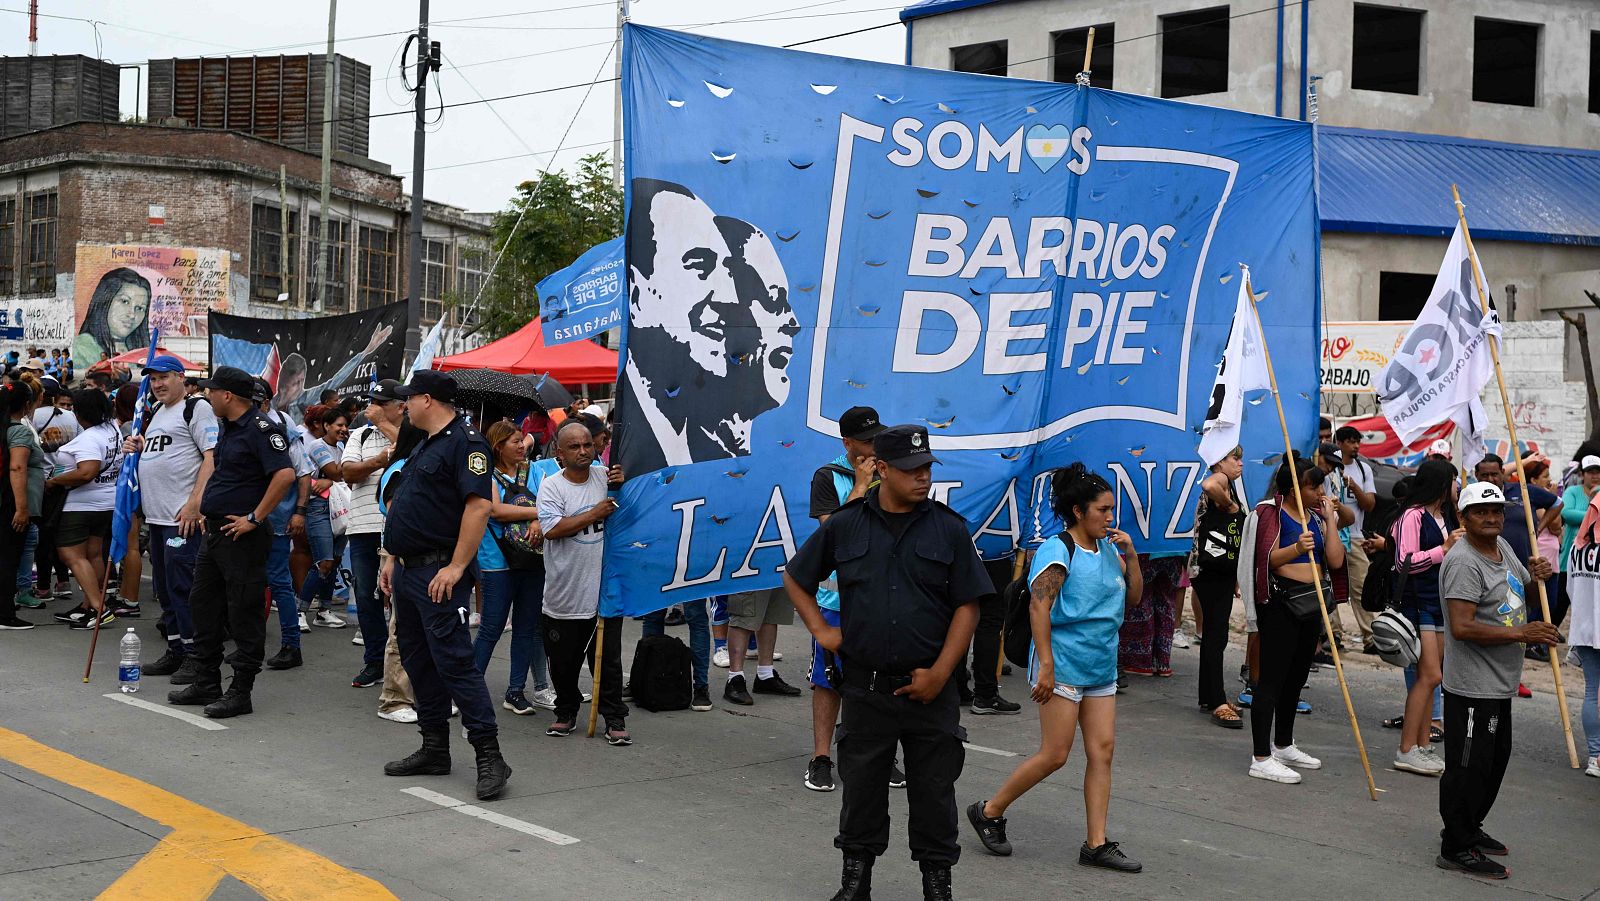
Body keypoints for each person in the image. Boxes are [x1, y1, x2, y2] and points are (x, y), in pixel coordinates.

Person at [784, 424, 986, 901]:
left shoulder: (948, 528)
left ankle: (937, 886)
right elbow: (797, 577)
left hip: (932, 691)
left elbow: (969, 605)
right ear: (882, 469)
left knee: (935, 794)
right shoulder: (846, 523)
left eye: (927, 469)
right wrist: (822, 631)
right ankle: (855, 884)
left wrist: (941, 673)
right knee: (863, 791)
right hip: (866, 687)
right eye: (912, 470)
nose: (923, 478)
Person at [967, 462, 1145, 873]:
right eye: (1103, 509)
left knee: (1103, 751)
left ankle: (1096, 844)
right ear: (1079, 511)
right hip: (1062, 665)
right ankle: (989, 810)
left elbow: (1133, 598)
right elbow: (1038, 606)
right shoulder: (1057, 549)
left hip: (1100, 665)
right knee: (1055, 755)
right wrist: (1045, 665)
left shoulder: (1109, 549)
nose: (1110, 517)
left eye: (1111, 509)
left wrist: (1132, 555)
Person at [378, 369, 511, 802]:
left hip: (439, 574)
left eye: (409, 398)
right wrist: (392, 558)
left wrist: (456, 567)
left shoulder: (466, 444)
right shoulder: (426, 444)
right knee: (419, 663)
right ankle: (434, 747)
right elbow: (412, 508)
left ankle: (490, 756)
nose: (404, 406)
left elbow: (479, 507)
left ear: (429, 400)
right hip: (410, 572)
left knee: (456, 664)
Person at [618, 178, 800, 473]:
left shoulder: (703, 445)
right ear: (638, 296)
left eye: (725, 271)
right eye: (700, 266)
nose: (729, 297)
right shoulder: (628, 442)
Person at [1435, 481, 1558, 878]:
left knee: (1493, 763)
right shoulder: (1463, 562)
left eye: (1497, 512)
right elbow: (1462, 627)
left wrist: (1540, 570)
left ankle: (1469, 827)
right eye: (1481, 512)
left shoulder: (1501, 546)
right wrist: (1523, 633)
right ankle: (1455, 846)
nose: (1491, 518)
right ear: (1463, 518)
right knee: (1467, 767)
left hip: (1500, 681)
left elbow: (1523, 582)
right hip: (1472, 685)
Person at [167, 366, 295, 719]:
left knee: (244, 612)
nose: (207, 396)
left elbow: (285, 474)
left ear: (227, 396)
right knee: (203, 605)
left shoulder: (261, 428)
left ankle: (241, 690)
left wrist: (255, 518)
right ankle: (207, 680)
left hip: (242, 537)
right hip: (216, 533)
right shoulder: (228, 427)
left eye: (212, 391)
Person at [1238, 456, 1344, 784]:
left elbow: (1336, 560)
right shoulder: (1269, 513)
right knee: (1270, 681)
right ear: (1296, 487)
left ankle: (1283, 744)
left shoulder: (1314, 516)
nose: (1320, 492)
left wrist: (1330, 522)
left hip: (1311, 605)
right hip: (1281, 604)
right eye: (1314, 486)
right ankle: (1261, 757)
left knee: (1296, 678)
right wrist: (1296, 546)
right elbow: (1262, 561)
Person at [803, 405, 885, 791]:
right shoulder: (827, 476)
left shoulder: (888, 471)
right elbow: (834, 532)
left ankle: (877, 753)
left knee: (880, 680)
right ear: (847, 442)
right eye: (866, 441)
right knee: (828, 681)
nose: (873, 448)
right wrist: (858, 485)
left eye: (876, 439)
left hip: (881, 597)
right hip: (835, 601)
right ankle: (821, 757)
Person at [122, 356, 216, 684]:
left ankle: (196, 656)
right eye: (153, 379)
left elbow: (212, 457)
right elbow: (164, 452)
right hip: (158, 520)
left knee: (183, 587)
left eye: (164, 378)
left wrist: (195, 504)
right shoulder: (159, 412)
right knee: (164, 588)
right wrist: (138, 445)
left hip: (183, 521)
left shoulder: (196, 407)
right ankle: (176, 648)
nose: (158, 384)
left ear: (180, 377)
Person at [537, 420, 630, 744]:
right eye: (574, 447)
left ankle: (614, 717)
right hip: (565, 593)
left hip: (604, 591)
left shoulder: (607, 478)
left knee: (608, 662)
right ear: (560, 454)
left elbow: (630, 515)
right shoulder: (552, 486)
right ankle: (566, 711)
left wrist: (624, 486)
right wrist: (594, 514)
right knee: (563, 664)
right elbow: (552, 529)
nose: (583, 451)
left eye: (588, 444)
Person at [470, 420, 550, 716]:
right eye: (514, 441)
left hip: (532, 558)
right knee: (491, 626)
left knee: (526, 627)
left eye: (521, 440)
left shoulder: (536, 470)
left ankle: (515, 691)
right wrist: (538, 512)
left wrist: (540, 520)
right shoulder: (485, 475)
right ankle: (470, 687)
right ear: (498, 446)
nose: (521, 445)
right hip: (496, 562)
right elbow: (496, 510)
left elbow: (549, 501)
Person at [1393, 459, 1462, 776]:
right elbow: (1403, 560)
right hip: (1418, 603)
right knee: (1430, 676)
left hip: (1438, 604)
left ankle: (1421, 745)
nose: (1457, 487)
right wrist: (1443, 550)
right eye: (1453, 481)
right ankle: (1406, 748)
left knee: (1432, 676)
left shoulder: (1444, 516)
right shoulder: (1413, 516)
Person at [342, 379, 404, 689]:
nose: (374, 408)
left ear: (400, 406)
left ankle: (403, 664)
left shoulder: (411, 432)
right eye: (373, 402)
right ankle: (374, 660)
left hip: (397, 528)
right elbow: (348, 473)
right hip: (363, 526)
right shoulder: (360, 434)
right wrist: (378, 461)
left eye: (382, 403)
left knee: (399, 598)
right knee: (367, 595)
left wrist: (386, 425)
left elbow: (412, 452)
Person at [45, 389, 123, 630]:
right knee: (93, 554)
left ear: (80, 414)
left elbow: (87, 472)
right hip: (106, 501)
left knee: (71, 554)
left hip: (81, 505)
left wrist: (55, 481)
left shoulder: (89, 439)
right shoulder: (112, 429)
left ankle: (99, 608)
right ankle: (87, 607)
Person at [257, 378, 317, 670]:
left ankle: (291, 645)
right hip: (245, 519)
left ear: (264, 403)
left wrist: (300, 512)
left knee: (279, 581)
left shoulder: (283, 429)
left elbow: (303, 472)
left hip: (277, 520)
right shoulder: (236, 426)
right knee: (250, 581)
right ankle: (251, 642)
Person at [1188, 445, 1245, 728]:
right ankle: (1218, 701)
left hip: (1215, 571)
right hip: (1211, 571)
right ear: (1220, 461)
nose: (1240, 464)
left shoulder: (1229, 483)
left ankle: (1210, 695)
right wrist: (1230, 506)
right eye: (1234, 458)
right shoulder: (1220, 479)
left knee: (1214, 633)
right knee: (1215, 635)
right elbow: (1209, 483)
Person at [295, 406, 349, 629]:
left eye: (345, 425)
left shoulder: (342, 447)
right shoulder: (317, 446)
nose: (344, 429)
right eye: (339, 425)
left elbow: (339, 473)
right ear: (326, 426)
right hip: (318, 507)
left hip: (340, 506)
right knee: (324, 562)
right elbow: (338, 471)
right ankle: (300, 611)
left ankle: (324, 611)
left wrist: (331, 479)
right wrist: (332, 477)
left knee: (334, 560)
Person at [0, 382, 43, 630]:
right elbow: (18, 467)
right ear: (27, 405)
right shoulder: (18, 431)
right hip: (9, 504)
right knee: (8, 559)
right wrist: (22, 508)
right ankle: (5, 614)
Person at [1334, 426, 1379, 652]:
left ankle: (1370, 638)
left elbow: (1370, 505)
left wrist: (1353, 486)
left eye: (1357, 442)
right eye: (1351, 442)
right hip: (1333, 536)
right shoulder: (1329, 467)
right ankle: (1333, 635)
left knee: (1360, 587)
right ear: (1339, 443)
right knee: (1331, 586)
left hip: (1355, 537)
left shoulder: (1363, 470)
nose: (1356, 447)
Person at [1567, 487, 1600, 777]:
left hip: (1585, 626)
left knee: (1592, 691)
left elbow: (1570, 587)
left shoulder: (1578, 546)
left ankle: (1594, 756)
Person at [1556, 455, 1600, 631]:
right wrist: (1593, 516)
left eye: (1598, 472)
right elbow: (1566, 513)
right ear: (1582, 474)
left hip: (1594, 562)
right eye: (1591, 472)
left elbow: (1575, 515)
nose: (1595, 476)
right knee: (1560, 602)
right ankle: (1544, 640)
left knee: (1589, 605)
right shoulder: (1572, 491)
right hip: (1571, 558)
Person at [73, 268, 151, 365]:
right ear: (105, 300)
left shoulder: (142, 353)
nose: (132, 315)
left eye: (140, 308)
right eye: (125, 301)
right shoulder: (81, 348)